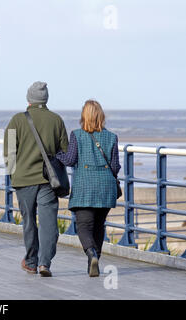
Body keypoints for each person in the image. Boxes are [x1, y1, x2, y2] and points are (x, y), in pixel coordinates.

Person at [4, 81, 69, 277]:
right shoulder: (56, 120)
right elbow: (64, 152)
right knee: (48, 222)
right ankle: (44, 263)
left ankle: (31, 261)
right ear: (46, 99)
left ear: (29, 99)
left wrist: (13, 175)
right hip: (48, 181)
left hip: (23, 180)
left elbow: (8, 152)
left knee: (29, 222)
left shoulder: (17, 120)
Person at [56, 99, 121, 277]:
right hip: (106, 188)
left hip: (85, 186)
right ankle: (95, 259)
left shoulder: (77, 135)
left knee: (83, 225)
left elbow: (70, 160)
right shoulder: (112, 137)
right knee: (99, 225)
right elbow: (115, 167)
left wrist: (57, 153)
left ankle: (91, 253)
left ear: (84, 116)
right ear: (101, 116)